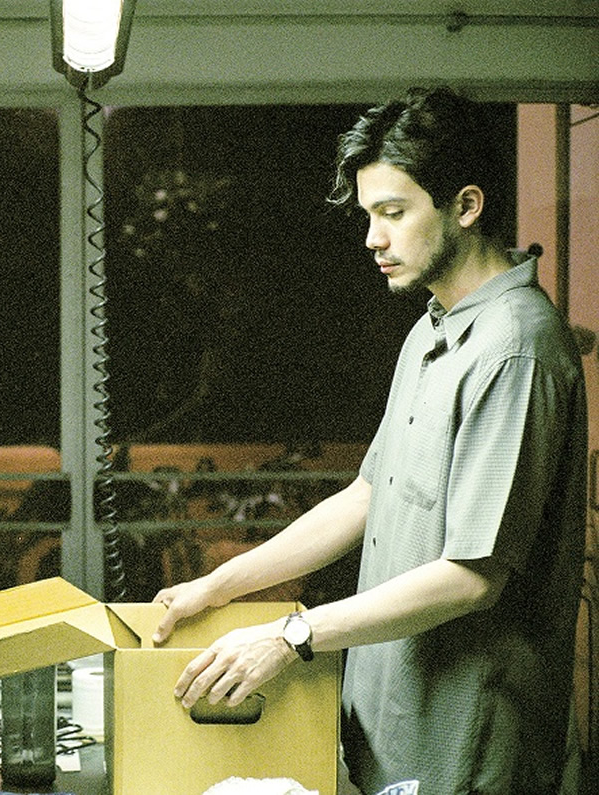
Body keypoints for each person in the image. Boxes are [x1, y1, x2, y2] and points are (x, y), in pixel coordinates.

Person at [153, 87, 587, 794]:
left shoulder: (515, 349)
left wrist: (291, 636)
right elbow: (365, 495)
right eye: (368, 215)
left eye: (393, 213)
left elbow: (473, 576)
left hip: (464, 749)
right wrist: (217, 585)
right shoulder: (433, 326)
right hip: (391, 730)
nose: (372, 239)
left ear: (466, 206)